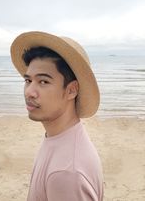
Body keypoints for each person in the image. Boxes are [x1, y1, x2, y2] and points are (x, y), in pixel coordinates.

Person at [10, 31, 104, 201]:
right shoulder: (59, 138)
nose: (29, 92)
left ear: (71, 90)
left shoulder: (67, 173)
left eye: (43, 81)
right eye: (28, 81)